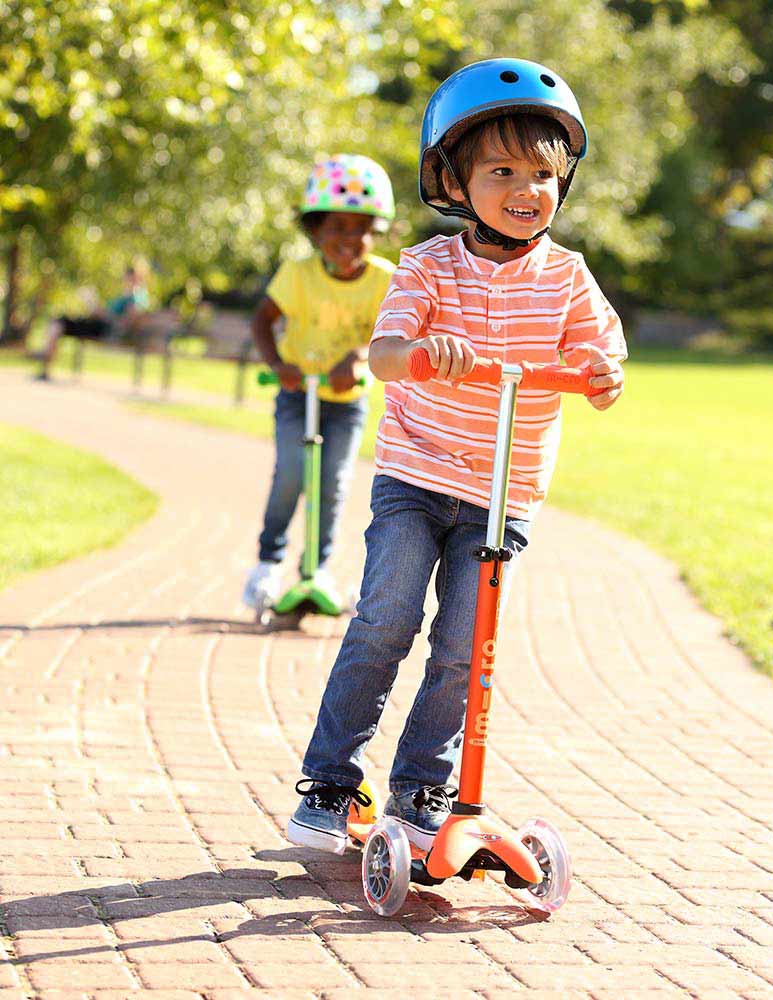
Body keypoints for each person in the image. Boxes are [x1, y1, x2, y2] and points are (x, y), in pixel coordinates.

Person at [287, 58, 627, 855]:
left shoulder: (570, 279)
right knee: (387, 617)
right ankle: (331, 783)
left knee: (464, 649)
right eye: (501, 169)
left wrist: (604, 377)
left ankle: (419, 790)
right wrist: (417, 351)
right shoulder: (426, 265)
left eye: (542, 172)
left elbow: (599, 365)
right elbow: (385, 353)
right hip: (417, 476)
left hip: (503, 494)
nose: (525, 187)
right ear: (451, 179)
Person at [242, 154, 397, 613]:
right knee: (291, 473)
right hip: (296, 395)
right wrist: (278, 364)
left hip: (346, 401)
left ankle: (317, 569)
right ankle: (268, 564)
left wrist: (361, 355)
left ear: (376, 231)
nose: (349, 240)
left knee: (332, 482)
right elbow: (261, 321)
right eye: (337, 229)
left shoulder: (386, 279)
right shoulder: (297, 274)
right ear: (315, 231)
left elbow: (394, 332)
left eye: (361, 229)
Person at [38, 264, 150, 379]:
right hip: (97, 325)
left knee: (59, 322)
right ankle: (44, 359)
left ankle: (44, 359)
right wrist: (96, 309)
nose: (126, 281)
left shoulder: (136, 298)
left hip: (104, 329)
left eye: (130, 278)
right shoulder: (127, 296)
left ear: (138, 279)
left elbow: (124, 323)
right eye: (126, 278)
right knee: (59, 321)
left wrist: (101, 313)